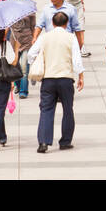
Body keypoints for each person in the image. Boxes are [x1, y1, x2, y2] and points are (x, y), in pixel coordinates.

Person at [28, 10, 84, 153]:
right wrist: (81, 76)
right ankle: (65, 141)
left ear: (52, 23)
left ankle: (43, 142)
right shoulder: (71, 38)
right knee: (68, 109)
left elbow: (30, 54)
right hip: (66, 78)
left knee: (46, 110)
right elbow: (77, 60)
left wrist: (36, 62)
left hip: (48, 79)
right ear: (67, 24)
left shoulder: (44, 37)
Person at [10, 0, 37, 99]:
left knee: (24, 68)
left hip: (26, 41)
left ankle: (23, 91)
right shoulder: (11, 9)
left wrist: (34, 39)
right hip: (14, 41)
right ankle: (18, 85)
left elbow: (33, 26)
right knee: (15, 67)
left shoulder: (31, 10)